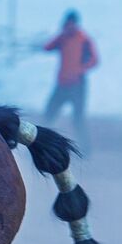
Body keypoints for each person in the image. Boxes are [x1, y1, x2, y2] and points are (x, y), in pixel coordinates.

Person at [42, 10, 99, 151]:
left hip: (78, 86)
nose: (68, 27)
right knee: (49, 112)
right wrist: (61, 35)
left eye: (70, 25)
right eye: (66, 25)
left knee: (78, 119)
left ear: (75, 24)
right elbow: (47, 47)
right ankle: (45, 143)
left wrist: (81, 69)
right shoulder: (63, 38)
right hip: (62, 84)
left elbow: (95, 60)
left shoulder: (84, 39)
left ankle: (86, 149)